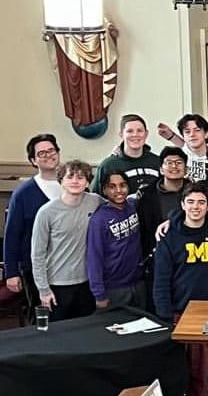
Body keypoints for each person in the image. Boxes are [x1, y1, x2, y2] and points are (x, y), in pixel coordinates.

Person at [152, 181, 208, 396]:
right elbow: (160, 279)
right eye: (191, 202)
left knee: (200, 371)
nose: (196, 207)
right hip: (176, 314)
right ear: (182, 204)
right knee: (174, 373)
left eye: (201, 203)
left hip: (206, 314)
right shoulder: (169, 236)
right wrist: (164, 315)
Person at [31, 160, 101, 321]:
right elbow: (37, 255)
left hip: (86, 282)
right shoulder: (46, 212)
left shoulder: (95, 201)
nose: (75, 181)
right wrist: (44, 290)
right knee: (57, 335)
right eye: (70, 177)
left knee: (84, 331)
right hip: (57, 285)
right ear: (61, 180)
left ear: (88, 182)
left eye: (81, 177)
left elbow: (117, 206)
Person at [4, 134, 62, 310]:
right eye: (41, 153)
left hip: (68, 266)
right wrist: (11, 272)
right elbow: (12, 234)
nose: (48, 155)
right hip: (35, 268)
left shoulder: (72, 184)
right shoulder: (23, 193)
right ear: (33, 160)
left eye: (51, 150)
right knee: (42, 317)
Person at [86, 171, 146, 310]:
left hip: (138, 283)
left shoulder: (133, 206)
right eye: (112, 186)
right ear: (104, 190)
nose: (118, 190)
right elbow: (94, 257)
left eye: (122, 185)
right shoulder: (99, 219)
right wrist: (99, 294)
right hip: (114, 288)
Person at [136, 146, 189, 259]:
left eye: (179, 162)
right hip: (158, 255)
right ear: (161, 169)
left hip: (190, 253)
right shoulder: (147, 196)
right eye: (169, 163)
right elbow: (143, 232)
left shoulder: (197, 193)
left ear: (186, 169)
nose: (174, 166)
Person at [93, 114, 162, 195]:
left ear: (146, 134)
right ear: (121, 134)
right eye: (130, 131)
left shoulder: (158, 162)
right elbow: (96, 198)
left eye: (139, 130)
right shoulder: (108, 166)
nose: (135, 134)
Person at [156, 113, 208, 181]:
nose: (192, 134)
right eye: (187, 132)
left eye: (197, 130)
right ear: (183, 136)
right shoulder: (179, 156)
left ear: (206, 134)